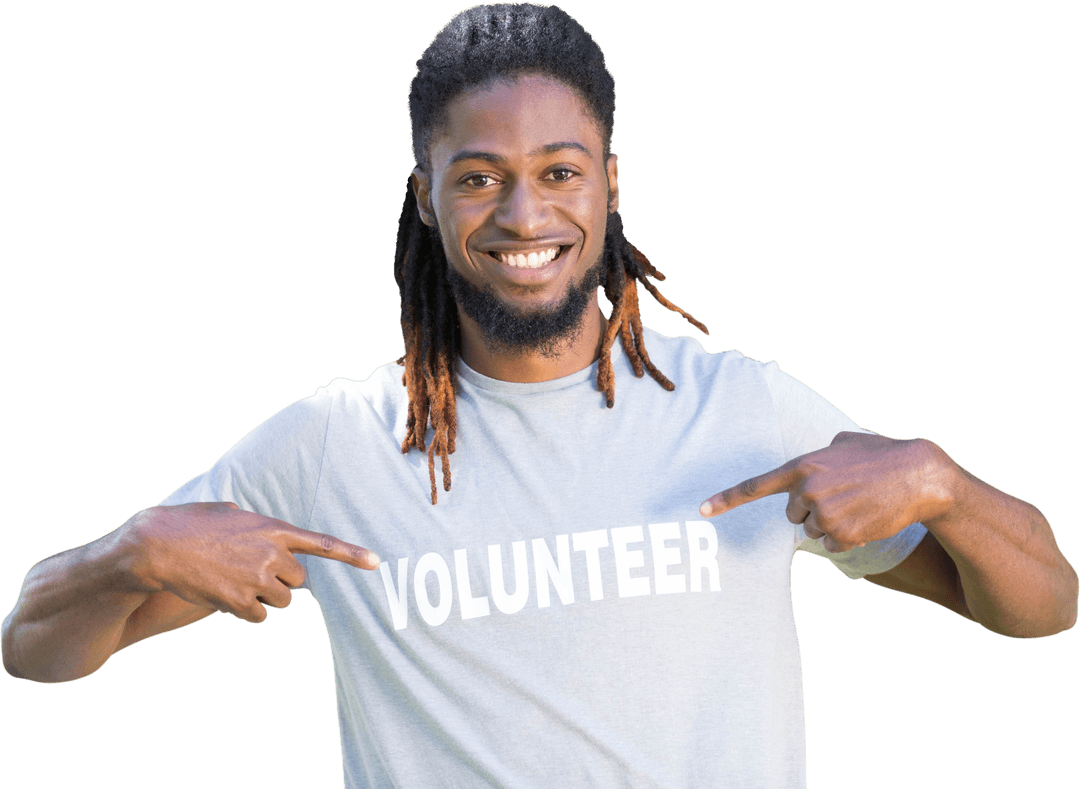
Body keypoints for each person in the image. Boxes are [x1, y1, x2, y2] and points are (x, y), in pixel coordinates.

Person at [3, 3, 1076, 787]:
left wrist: (941, 485)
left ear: (609, 184)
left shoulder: (742, 415)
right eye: (479, 177)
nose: (524, 215)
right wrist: (130, 552)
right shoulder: (337, 447)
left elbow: (1044, 605)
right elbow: (33, 649)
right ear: (426, 199)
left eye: (560, 171)